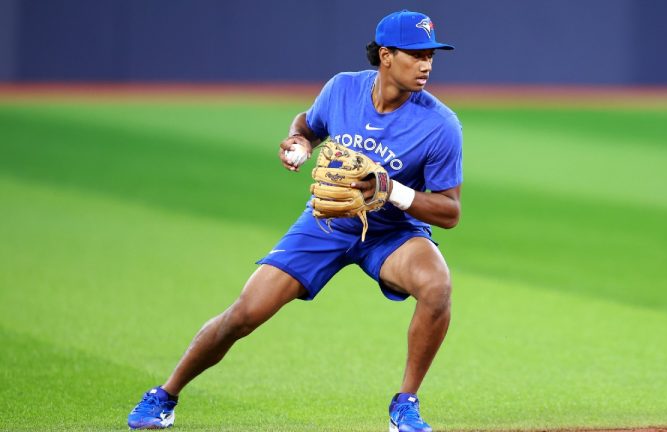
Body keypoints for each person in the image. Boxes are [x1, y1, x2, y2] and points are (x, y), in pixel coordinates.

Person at [127, 9, 461, 432]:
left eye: (431, 54)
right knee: (244, 314)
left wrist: (390, 190)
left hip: (391, 232)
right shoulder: (342, 89)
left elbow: (450, 211)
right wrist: (300, 143)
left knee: (437, 285)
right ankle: (165, 394)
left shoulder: (440, 125)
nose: (427, 64)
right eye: (416, 54)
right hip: (325, 222)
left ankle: (405, 404)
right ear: (386, 55)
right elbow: (307, 124)